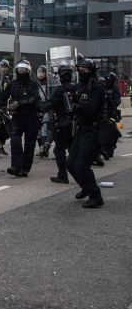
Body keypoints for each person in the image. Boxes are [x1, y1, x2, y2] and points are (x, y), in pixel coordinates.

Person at [67, 59, 106, 208]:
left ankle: (96, 197)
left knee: (81, 165)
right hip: (81, 128)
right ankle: (86, 186)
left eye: (85, 69)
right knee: (70, 164)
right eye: (80, 69)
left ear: (92, 70)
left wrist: (77, 106)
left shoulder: (97, 88)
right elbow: (73, 102)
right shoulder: (79, 86)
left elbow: (90, 109)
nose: (82, 72)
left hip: (93, 129)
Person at [3, 60, 41, 177]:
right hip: (17, 117)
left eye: (24, 70)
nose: (22, 72)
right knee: (15, 142)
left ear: (28, 71)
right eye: (20, 70)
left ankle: (25, 168)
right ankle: (16, 167)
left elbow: (35, 98)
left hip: (31, 117)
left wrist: (19, 103)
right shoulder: (12, 84)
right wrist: (0, 108)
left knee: (30, 144)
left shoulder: (34, 84)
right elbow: (3, 97)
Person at [49, 62, 76, 184]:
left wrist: (40, 105)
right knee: (73, 149)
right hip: (74, 124)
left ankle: (63, 175)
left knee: (59, 150)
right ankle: (78, 173)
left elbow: (51, 104)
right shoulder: (77, 88)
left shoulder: (59, 90)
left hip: (62, 124)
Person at [36, 66, 53, 158]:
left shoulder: (49, 84)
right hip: (38, 108)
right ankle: (41, 148)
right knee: (37, 130)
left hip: (47, 108)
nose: (40, 74)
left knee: (44, 128)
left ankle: (44, 148)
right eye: (39, 72)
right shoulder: (35, 84)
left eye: (42, 72)